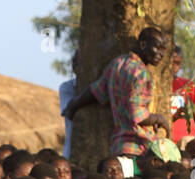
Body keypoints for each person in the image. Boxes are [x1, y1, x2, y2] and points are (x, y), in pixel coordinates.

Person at [63, 27, 170, 160]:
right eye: (158, 48)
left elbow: (97, 91)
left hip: (119, 146)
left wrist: (75, 103)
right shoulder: (142, 74)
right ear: (143, 44)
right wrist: (160, 119)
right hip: (139, 147)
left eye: (163, 50)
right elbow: (137, 115)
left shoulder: (118, 63)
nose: (161, 54)